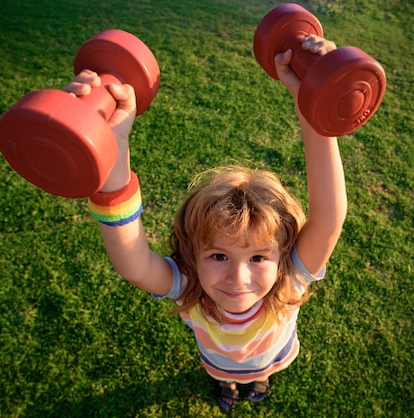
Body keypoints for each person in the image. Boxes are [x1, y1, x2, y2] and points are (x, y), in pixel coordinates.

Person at [64, 34, 347, 409]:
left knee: (262, 371)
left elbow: (329, 218)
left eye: (258, 258)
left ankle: (258, 380)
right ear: (191, 254)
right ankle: (228, 385)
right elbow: (131, 263)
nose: (238, 278)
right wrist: (113, 143)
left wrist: (311, 99)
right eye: (218, 256)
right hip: (217, 361)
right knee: (224, 375)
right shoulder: (188, 287)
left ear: (282, 256)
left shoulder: (289, 279)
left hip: (273, 354)